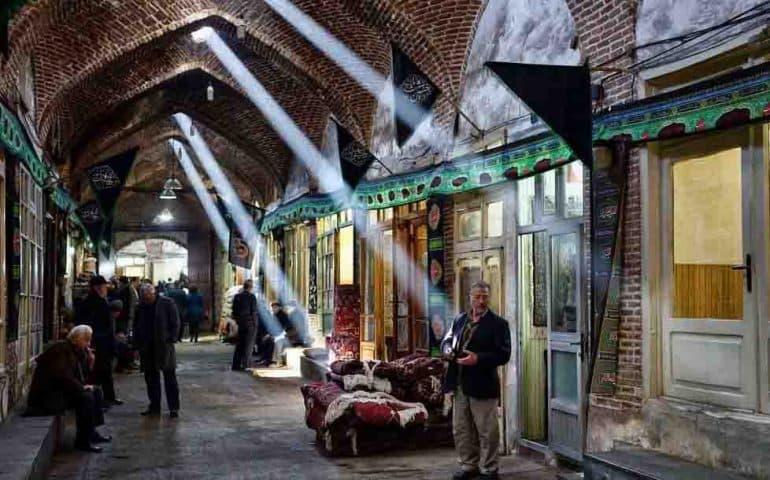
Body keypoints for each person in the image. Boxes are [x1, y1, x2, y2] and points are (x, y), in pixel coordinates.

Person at [441, 280, 511, 480]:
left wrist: (478, 359)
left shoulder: (499, 324)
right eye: (477, 296)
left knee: (487, 430)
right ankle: (468, 466)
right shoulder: (460, 320)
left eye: (484, 297)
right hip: (460, 382)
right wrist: (447, 349)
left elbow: (504, 355)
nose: (481, 301)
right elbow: (447, 339)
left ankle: (490, 469)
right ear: (470, 298)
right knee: (461, 429)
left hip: (483, 384)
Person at [25, 325, 112, 453]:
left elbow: (81, 377)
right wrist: (82, 388)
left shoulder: (75, 351)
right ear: (77, 339)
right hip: (48, 397)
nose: (88, 344)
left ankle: (91, 432)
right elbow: (63, 377)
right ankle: (82, 441)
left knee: (95, 392)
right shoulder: (61, 351)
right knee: (86, 398)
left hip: (60, 391)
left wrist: (90, 363)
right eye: (86, 340)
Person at [134, 283, 181, 418]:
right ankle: (154, 406)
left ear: (154, 293)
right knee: (151, 379)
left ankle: (174, 408)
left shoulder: (167, 303)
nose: (147, 300)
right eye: (144, 298)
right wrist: (136, 346)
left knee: (170, 378)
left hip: (164, 346)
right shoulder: (140, 307)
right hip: (147, 348)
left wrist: (171, 338)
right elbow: (136, 326)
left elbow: (175, 322)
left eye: (149, 297)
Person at [78, 275, 122, 407]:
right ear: (98, 288)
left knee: (103, 372)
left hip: (98, 342)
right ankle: (102, 400)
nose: (106, 289)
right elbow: (99, 325)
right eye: (104, 287)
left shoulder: (94, 301)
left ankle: (107, 398)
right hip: (99, 343)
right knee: (99, 372)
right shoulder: (95, 302)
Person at [230, 280, 258, 371]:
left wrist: (237, 321)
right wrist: (255, 324)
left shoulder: (237, 297)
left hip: (240, 324)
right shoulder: (251, 297)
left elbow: (234, 311)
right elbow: (253, 311)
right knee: (249, 345)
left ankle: (236, 365)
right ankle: (246, 365)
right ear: (250, 287)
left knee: (239, 344)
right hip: (250, 324)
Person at [271, 302, 308, 366]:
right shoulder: (292, 315)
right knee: (278, 340)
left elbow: (297, 330)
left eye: (288, 308)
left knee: (279, 341)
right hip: (292, 336)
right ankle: (277, 361)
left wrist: (284, 335)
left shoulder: (297, 316)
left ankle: (278, 361)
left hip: (297, 338)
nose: (286, 309)